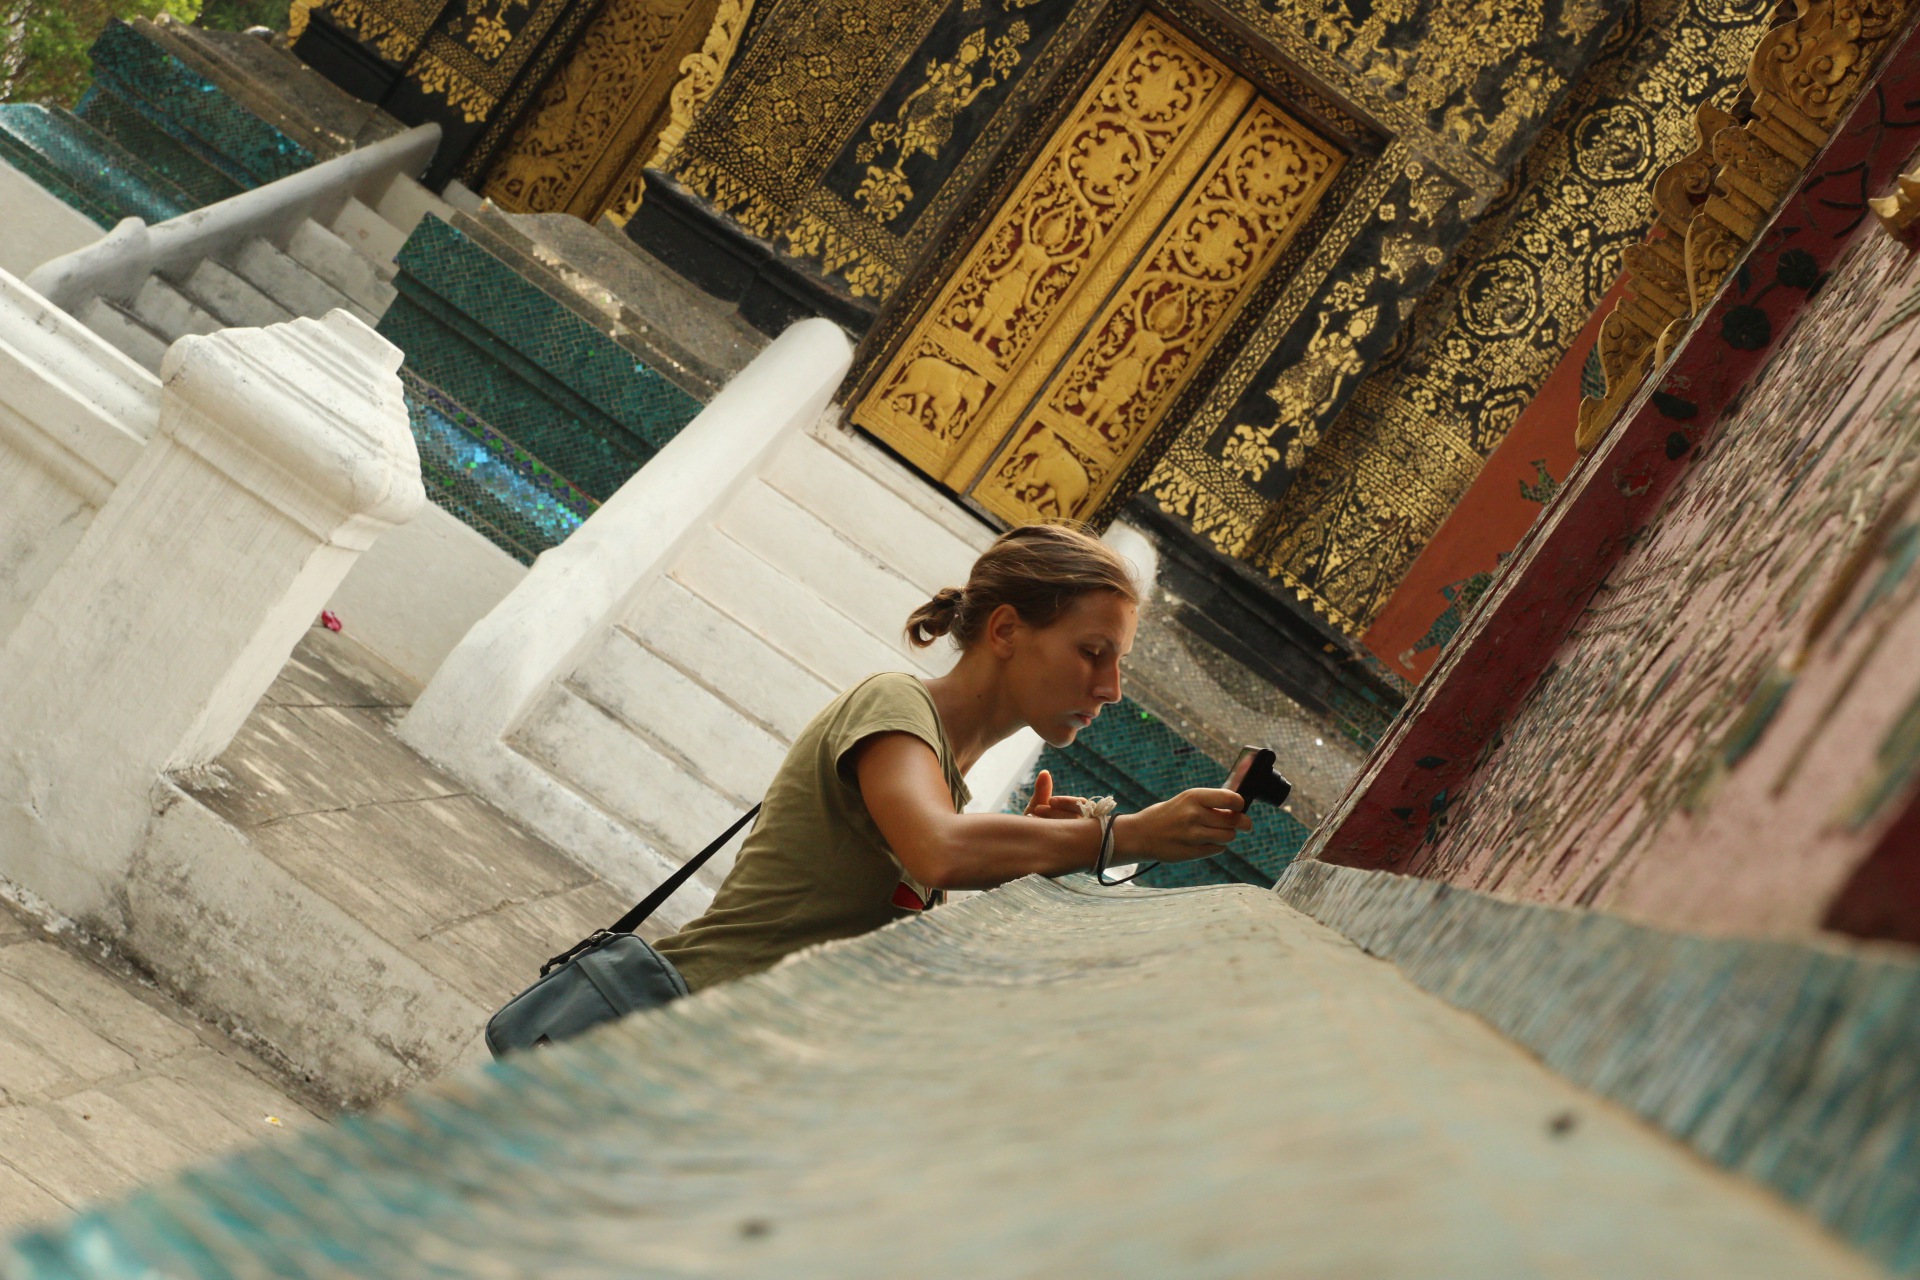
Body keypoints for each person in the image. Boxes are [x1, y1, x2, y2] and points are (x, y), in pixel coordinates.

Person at [651, 522, 1253, 991]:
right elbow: (940, 850)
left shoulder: (949, 781)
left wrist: (1033, 850)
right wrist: (1124, 836)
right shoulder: (893, 703)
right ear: (1006, 631)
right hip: (669, 1017)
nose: (1111, 688)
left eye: (1117, 662)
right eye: (1092, 652)